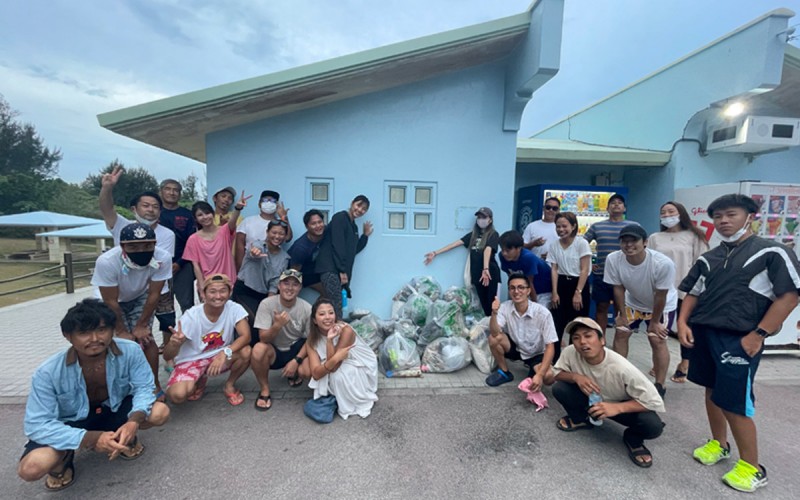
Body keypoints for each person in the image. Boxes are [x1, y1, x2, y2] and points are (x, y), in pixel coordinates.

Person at [678, 193, 800, 493]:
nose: (723, 221)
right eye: (718, 216)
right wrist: (682, 322)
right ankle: (719, 444)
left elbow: (790, 295)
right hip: (704, 332)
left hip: (741, 337)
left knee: (735, 401)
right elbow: (692, 292)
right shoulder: (710, 257)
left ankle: (752, 467)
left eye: (731, 214)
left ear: (750, 216)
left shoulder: (772, 252)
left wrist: (759, 333)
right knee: (710, 390)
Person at [18, 299, 170, 492]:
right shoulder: (47, 372)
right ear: (68, 336)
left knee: (160, 412)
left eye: (101, 330)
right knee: (31, 468)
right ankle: (63, 457)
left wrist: (133, 421)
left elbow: (144, 387)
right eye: (83, 333)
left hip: (114, 410)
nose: (95, 338)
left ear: (112, 330)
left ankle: (126, 435)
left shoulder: (130, 351)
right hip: (72, 421)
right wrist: (90, 438)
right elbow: (37, 424)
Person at [552, 317, 665, 468]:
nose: (582, 342)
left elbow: (654, 401)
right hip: (592, 400)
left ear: (602, 340)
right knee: (560, 388)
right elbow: (555, 374)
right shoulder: (570, 352)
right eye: (576, 338)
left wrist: (617, 408)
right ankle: (581, 419)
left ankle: (633, 439)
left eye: (588, 336)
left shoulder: (623, 368)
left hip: (620, 406)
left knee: (653, 425)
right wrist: (575, 377)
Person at [91, 223, 172, 401]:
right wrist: (121, 331)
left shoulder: (163, 257)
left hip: (140, 295)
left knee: (145, 338)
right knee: (118, 342)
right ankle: (118, 387)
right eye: (133, 246)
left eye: (147, 246)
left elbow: (154, 293)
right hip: (110, 298)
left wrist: (142, 325)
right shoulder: (107, 261)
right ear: (122, 246)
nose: (141, 250)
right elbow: (110, 301)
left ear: (155, 244)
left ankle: (154, 384)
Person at [604, 225, 677, 397]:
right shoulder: (613, 259)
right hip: (633, 302)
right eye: (624, 241)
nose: (628, 245)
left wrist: (654, 323)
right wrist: (621, 315)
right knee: (621, 333)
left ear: (645, 242)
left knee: (657, 339)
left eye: (633, 241)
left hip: (662, 305)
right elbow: (618, 288)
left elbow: (661, 295)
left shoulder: (662, 264)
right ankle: (618, 379)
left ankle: (660, 385)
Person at [163, 274, 253, 406]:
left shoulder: (234, 308)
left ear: (229, 292)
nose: (218, 296)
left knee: (246, 351)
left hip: (220, 356)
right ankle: (199, 380)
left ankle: (229, 385)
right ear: (203, 293)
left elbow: (246, 336)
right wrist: (174, 344)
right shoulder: (191, 316)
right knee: (178, 396)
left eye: (223, 291)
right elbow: (167, 355)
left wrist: (224, 353)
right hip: (192, 360)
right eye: (212, 291)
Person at [647, 201, 708, 384]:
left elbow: (702, 263)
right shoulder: (655, 237)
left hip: (686, 290)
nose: (667, 215)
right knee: (658, 328)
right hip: (661, 291)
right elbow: (649, 262)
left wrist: (697, 289)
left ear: (681, 213)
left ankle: (685, 363)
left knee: (685, 326)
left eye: (671, 211)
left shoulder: (694, 236)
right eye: (663, 212)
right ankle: (658, 362)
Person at [306, 298, 378, 420]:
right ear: (314, 320)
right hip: (335, 364)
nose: (328, 317)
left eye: (331, 312)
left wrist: (329, 344)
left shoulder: (346, 330)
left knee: (337, 375)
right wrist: (330, 343)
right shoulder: (312, 340)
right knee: (328, 374)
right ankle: (337, 397)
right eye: (322, 314)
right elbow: (316, 374)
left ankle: (346, 399)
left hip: (359, 364)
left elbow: (334, 367)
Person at [250, 269, 312, 411]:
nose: (290, 288)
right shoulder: (267, 304)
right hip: (275, 351)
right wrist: (277, 325)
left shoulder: (307, 308)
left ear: (300, 288)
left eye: (295, 285)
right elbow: (263, 338)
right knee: (258, 349)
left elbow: (311, 340)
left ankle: (295, 372)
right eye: (286, 283)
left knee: (308, 365)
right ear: (279, 286)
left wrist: (296, 361)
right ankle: (264, 389)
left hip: (296, 348)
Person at [484, 274, 557, 389]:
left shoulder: (543, 313)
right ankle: (504, 372)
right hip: (517, 348)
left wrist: (540, 374)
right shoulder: (505, 307)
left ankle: (535, 371)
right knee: (494, 338)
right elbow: (494, 332)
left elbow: (550, 346)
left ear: (528, 291)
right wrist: (494, 313)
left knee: (548, 377)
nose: (516, 291)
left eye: (521, 287)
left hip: (536, 353)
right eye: (512, 288)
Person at [425, 207, 500, 316]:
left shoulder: (493, 234)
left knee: (493, 305)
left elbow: (488, 250)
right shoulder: (473, 235)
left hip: (490, 274)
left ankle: (496, 330)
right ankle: (488, 328)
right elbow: (455, 244)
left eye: (484, 217)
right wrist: (435, 253)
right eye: (479, 217)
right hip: (477, 276)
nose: (481, 219)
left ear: (490, 220)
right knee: (483, 306)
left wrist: (485, 269)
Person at [584, 194, 639, 332]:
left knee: (621, 308)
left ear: (624, 208)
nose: (616, 205)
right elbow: (582, 245)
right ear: (607, 208)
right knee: (601, 307)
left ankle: (620, 337)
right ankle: (600, 338)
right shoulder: (597, 226)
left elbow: (642, 247)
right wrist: (590, 262)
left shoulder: (633, 226)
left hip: (626, 274)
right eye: (613, 203)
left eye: (619, 203)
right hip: (601, 273)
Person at [315, 195, 373, 318]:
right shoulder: (340, 218)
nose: (360, 210)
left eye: (364, 209)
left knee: (332, 303)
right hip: (330, 268)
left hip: (338, 270)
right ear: (352, 203)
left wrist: (365, 236)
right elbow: (338, 244)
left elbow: (353, 249)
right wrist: (342, 270)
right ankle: (337, 334)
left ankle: (322, 332)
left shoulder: (354, 226)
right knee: (336, 305)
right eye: (358, 205)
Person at [183, 194, 249, 302]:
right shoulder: (193, 239)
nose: (204, 217)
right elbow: (196, 266)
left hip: (228, 283)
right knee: (211, 316)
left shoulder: (224, 231)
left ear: (213, 214)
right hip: (209, 285)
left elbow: (232, 221)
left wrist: (238, 208)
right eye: (200, 215)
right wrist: (201, 286)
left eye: (207, 213)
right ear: (195, 219)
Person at [232, 220, 291, 340]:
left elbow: (275, 283)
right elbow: (252, 252)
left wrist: (269, 304)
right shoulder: (258, 245)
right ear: (267, 232)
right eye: (274, 232)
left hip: (264, 295)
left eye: (281, 234)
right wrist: (255, 253)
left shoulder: (284, 258)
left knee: (264, 323)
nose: (277, 236)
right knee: (252, 321)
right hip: (244, 290)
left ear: (285, 237)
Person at [157, 178, 196, 357]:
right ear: (161, 191)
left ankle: (189, 339)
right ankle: (167, 345)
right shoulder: (155, 213)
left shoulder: (187, 215)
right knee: (165, 308)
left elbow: (191, 241)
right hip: (157, 268)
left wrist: (179, 263)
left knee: (187, 304)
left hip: (183, 264)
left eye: (176, 190)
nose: (172, 192)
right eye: (168, 189)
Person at [546, 212, 591, 361]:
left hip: (579, 284)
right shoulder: (554, 245)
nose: (561, 229)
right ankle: (555, 359)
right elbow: (554, 269)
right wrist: (554, 292)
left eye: (564, 226)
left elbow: (584, 269)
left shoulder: (581, 243)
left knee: (577, 325)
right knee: (557, 324)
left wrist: (578, 292)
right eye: (558, 226)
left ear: (573, 226)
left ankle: (576, 359)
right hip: (561, 284)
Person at [234, 190, 293, 271]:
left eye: (272, 201)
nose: (269, 203)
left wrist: (284, 217)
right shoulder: (247, 221)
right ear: (259, 204)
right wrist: (240, 268)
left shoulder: (279, 223)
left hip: (272, 266)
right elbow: (240, 246)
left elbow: (288, 238)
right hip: (251, 265)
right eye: (265, 200)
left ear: (276, 205)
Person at [498, 230, 552, 307]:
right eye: (502, 250)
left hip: (543, 291)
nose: (504, 253)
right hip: (525, 290)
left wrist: (534, 305)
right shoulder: (502, 257)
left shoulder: (528, 258)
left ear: (519, 248)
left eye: (508, 250)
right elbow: (512, 278)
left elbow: (529, 283)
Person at [288, 209, 326, 294]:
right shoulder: (301, 248)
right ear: (307, 226)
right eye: (313, 223)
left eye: (320, 222)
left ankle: (318, 308)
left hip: (312, 271)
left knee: (330, 292)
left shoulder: (326, 232)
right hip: (298, 272)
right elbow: (294, 271)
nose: (318, 226)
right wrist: (292, 289)